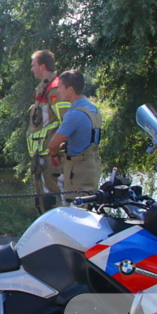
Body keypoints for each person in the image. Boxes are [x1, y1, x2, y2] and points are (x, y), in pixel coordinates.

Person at [47, 70, 102, 205]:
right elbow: (86, 137)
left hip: (78, 172)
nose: (58, 91)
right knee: (89, 207)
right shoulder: (93, 109)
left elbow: (52, 145)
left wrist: (54, 155)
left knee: (76, 211)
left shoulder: (74, 114)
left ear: (70, 89)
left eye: (60, 87)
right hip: (93, 167)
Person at [27, 49, 70, 213]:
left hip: (50, 157)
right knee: (42, 201)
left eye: (33, 65)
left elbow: (67, 123)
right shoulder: (43, 89)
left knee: (52, 201)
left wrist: (55, 151)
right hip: (41, 156)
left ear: (42, 66)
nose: (32, 69)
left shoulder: (55, 89)